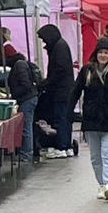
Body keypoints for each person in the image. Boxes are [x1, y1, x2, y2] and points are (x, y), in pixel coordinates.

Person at [67, 39, 108, 202]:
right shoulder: (87, 70)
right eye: (101, 52)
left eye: (106, 53)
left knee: (107, 154)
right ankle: (101, 184)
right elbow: (75, 91)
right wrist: (68, 112)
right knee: (95, 157)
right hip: (91, 119)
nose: (103, 55)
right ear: (96, 54)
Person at [36, 24, 75, 159]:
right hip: (65, 89)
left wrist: (45, 83)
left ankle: (62, 147)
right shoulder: (61, 45)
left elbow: (59, 70)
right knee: (65, 117)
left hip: (61, 91)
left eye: (44, 39)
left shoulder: (59, 47)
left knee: (60, 117)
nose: (44, 43)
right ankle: (67, 146)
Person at [4, 44, 38, 163]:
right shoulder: (21, 64)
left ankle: (26, 154)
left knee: (25, 127)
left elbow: (25, 84)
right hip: (29, 98)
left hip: (27, 99)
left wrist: (14, 94)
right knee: (27, 126)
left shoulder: (19, 65)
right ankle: (27, 152)